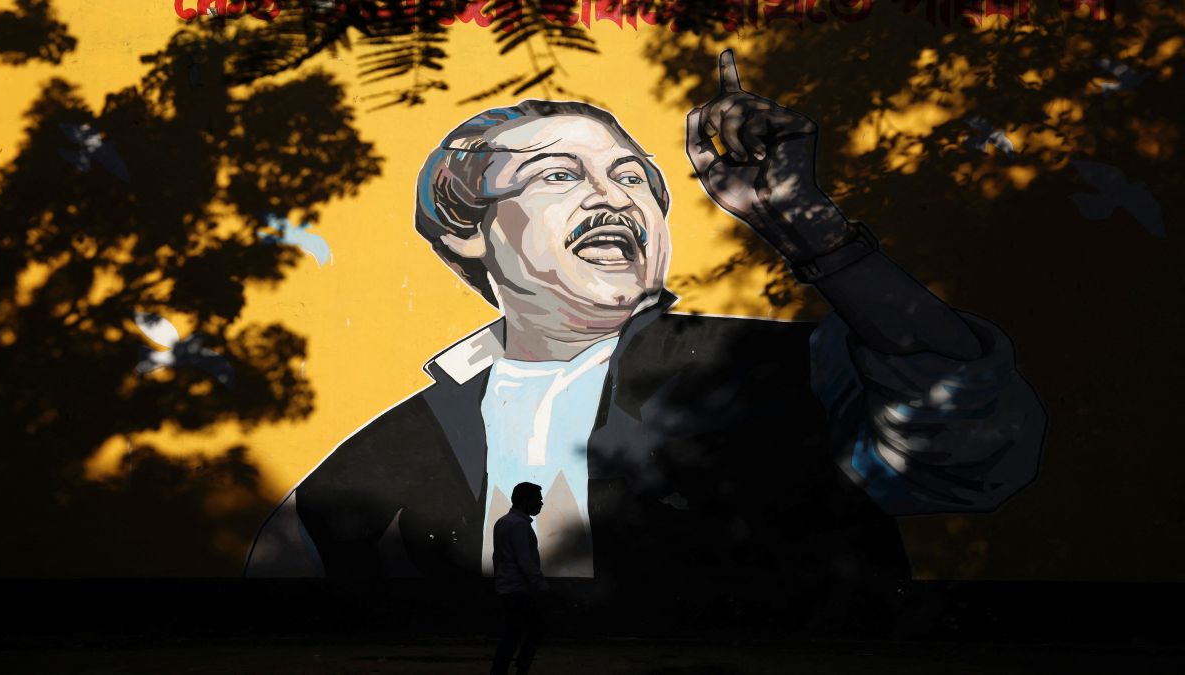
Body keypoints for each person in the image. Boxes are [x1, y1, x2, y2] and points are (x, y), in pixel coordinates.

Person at [245, 51, 1045, 620]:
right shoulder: (364, 471)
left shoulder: (786, 370)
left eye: (632, 177)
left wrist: (813, 228)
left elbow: (970, 441)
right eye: (560, 174)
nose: (613, 198)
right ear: (466, 232)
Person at [491, 482, 549, 675]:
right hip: (520, 589)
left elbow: (497, 557)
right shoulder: (519, 525)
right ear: (526, 500)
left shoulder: (502, 522)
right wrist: (540, 584)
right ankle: (519, 668)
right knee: (528, 630)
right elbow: (525, 560)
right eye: (537, 499)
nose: (541, 502)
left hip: (507, 587)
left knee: (513, 634)